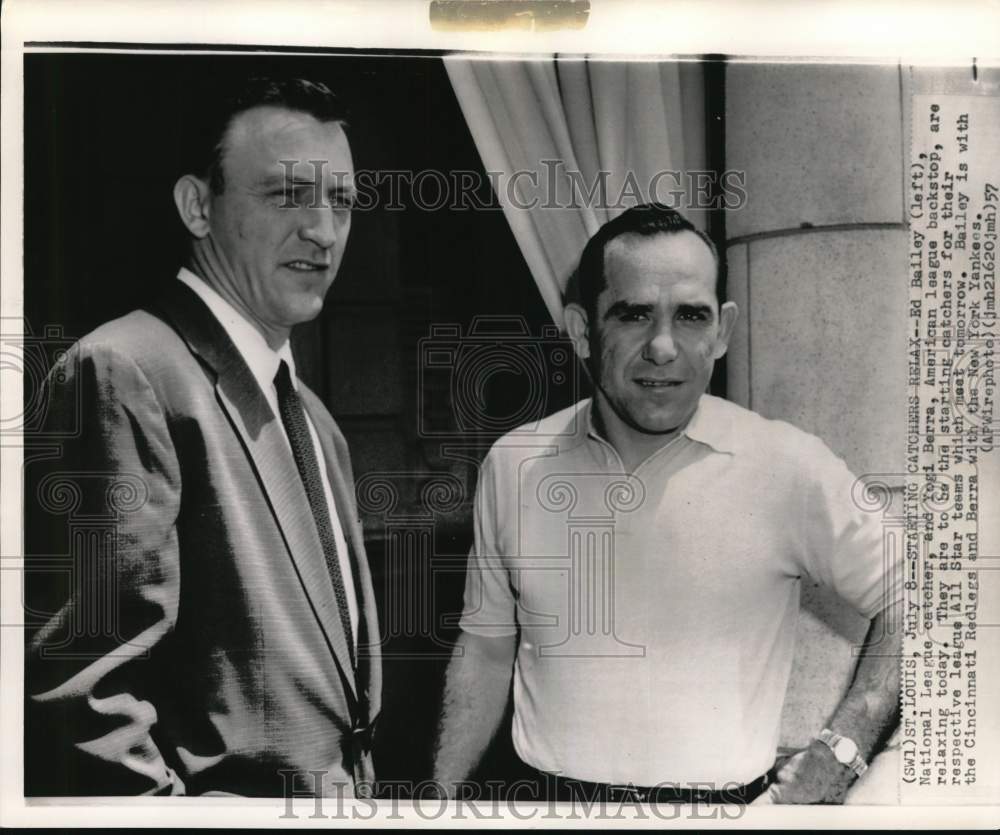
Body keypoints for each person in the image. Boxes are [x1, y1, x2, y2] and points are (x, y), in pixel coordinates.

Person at [432, 203, 901, 805]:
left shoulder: (787, 466)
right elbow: (486, 647)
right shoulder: (514, 464)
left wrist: (845, 748)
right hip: (546, 809)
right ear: (582, 330)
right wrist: (437, 805)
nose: (663, 346)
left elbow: (926, 596)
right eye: (633, 315)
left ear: (723, 330)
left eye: (691, 316)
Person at [24, 76, 380, 798]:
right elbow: (84, 695)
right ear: (197, 205)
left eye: (340, 200)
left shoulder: (315, 420)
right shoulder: (126, 368)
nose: (323, 229)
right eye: (288, 194)